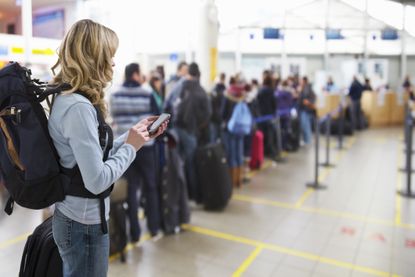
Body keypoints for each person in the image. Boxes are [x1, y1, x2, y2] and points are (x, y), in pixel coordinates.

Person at [48, 20, 167, 277]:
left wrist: (132, 135)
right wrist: (132, 148)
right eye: (110, 56)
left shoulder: (70, 98)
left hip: (79, 220)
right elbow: (97, 181)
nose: (114, 63)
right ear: (94, 58)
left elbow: (93, 156)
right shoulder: (78, 108)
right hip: (83, 225)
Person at [110, 63, 163, 243]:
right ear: (135, 74)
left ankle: (134, 234)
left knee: (131, 190)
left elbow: (114, 119)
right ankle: (154, 229)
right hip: (146, 148)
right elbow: (156, 119)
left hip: (126, 148)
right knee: (150, 187)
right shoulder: (147, 93)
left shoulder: (115, 95)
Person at [175, 62, 211, 202]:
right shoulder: (201, 91)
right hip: (191, 132)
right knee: (192, 164)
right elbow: (208, 114)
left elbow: (171, 106)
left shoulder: (180, 88)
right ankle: (193, 194)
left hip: (177, 130)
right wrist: (198, 127)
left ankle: (181, 195)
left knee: (179, 163)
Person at [222, 78, 248, 188]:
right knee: (239, 154)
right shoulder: (242, 97)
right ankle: (239, 181)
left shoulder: (228, 97)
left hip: (230, 129)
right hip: (241, 129)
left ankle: (232, 182)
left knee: (231, 155)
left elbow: (222, 114)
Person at [257, 71, 278, 159]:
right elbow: (274, 104)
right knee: (270, 135)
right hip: (270, 116)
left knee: (263, 135)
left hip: (261, 116)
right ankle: (271, 152)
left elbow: (257, 103)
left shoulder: (260, 91)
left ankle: (263, 152)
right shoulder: (272, 92)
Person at [298, 76, 316, 145]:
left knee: (305, 125)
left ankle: (307, 140)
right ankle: (306, 140)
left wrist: (308, 102)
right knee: (304, 125)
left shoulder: (307, 88)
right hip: (304, 109)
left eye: (301, 80)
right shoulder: (305, 88)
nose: (300, 82)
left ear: (304, 81)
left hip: (306, 110)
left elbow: (312, 98)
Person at [210, 72, 227, 142]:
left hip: (215, 118)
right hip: (221, 118)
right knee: (222, 139)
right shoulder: (225, 91)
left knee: (214, 138)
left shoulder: (214, 90)